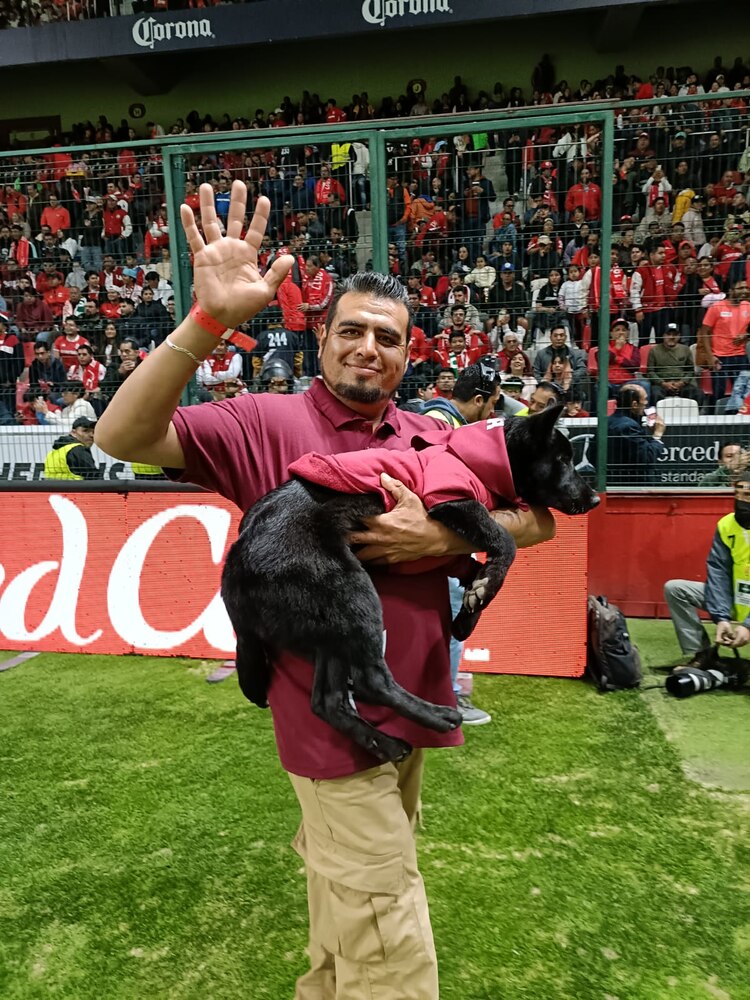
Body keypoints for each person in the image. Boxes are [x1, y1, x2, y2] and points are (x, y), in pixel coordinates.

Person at [94, 183, 554, 999]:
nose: (368, 348)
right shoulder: (260, 422)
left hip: (412, 706)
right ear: (321, 339)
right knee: (390, 929)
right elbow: (119, 436)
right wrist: (207, 325)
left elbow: (538, 522)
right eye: (352, 331)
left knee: (351, 909)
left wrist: (442, 537)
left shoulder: (431, 435)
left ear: (409, 355)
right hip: (329, 723)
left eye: (387, 337)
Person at [422, 362, 503, 729]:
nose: (497, 413)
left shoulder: (436, 417)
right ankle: (449, 698)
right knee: (455, 620)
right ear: (479, 400)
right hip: (440, 543)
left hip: (432, 542)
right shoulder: (444, 426)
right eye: (493, 404)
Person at [664, 479, 750, 665]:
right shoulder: (726, 525)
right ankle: (701, 655)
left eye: (748, 496)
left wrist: (748, 626)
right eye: (739, 494)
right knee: (676, 589)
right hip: (737, 599)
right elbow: (719, 571)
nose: (742, 501)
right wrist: (721, 617)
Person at [696, 278, 750, 406]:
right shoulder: (717, 307)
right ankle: (715, 420)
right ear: (730, 291)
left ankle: (742, 421)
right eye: (740, 288)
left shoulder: (748, 306)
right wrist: (710, 356)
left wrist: (747, 335)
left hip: (740, 356)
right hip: (720, 357)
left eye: (746, 288)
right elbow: (705, 332)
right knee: (718, 393)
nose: (745, 291)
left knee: (744, 393)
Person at [607, 384, 666, 485]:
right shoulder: (628, 427)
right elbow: (647, 458)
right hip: (632, 485)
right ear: (634, 404)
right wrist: (657, 434)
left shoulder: (609, 421)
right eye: (645, 399)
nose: (647, 403)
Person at [646, 322, 704, 406]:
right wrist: (663, 383)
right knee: (655, 394)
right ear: (663, 336)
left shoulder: (685, 349)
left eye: (675, 334)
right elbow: (650, 372)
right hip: (661, 384)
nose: (671, 337)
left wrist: (682, 382)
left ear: (679, 336)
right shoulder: (654, 350)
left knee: (698, 394)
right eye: (668, 334)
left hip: (682, 384)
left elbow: (690, 370)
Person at [42, 416, 103, 481]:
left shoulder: (55, 451)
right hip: (76, 489)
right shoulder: (78, 449)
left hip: (53, 489)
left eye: (93, 432)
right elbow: (93, 477)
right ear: (73, 433)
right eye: (85, 431)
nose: (92, 435)